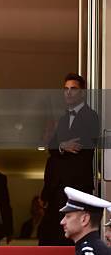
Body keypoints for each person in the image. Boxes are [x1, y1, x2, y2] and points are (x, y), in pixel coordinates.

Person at [39, 73, 100, 246]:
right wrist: (61, 146)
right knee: (54, 237)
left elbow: (81, 146)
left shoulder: (91, 116)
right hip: (59, 189)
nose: (68, 93)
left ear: (82, 93)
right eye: (66, 89)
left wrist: (61, 146)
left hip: (77, 187)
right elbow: (52, 146)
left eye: (73, 89)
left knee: (71, 238)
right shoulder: (64, 118)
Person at [60, 187, 111, 255]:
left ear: (84, 219)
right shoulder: (93, 247)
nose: (62, 222)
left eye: (68, 216)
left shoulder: (88, 250)